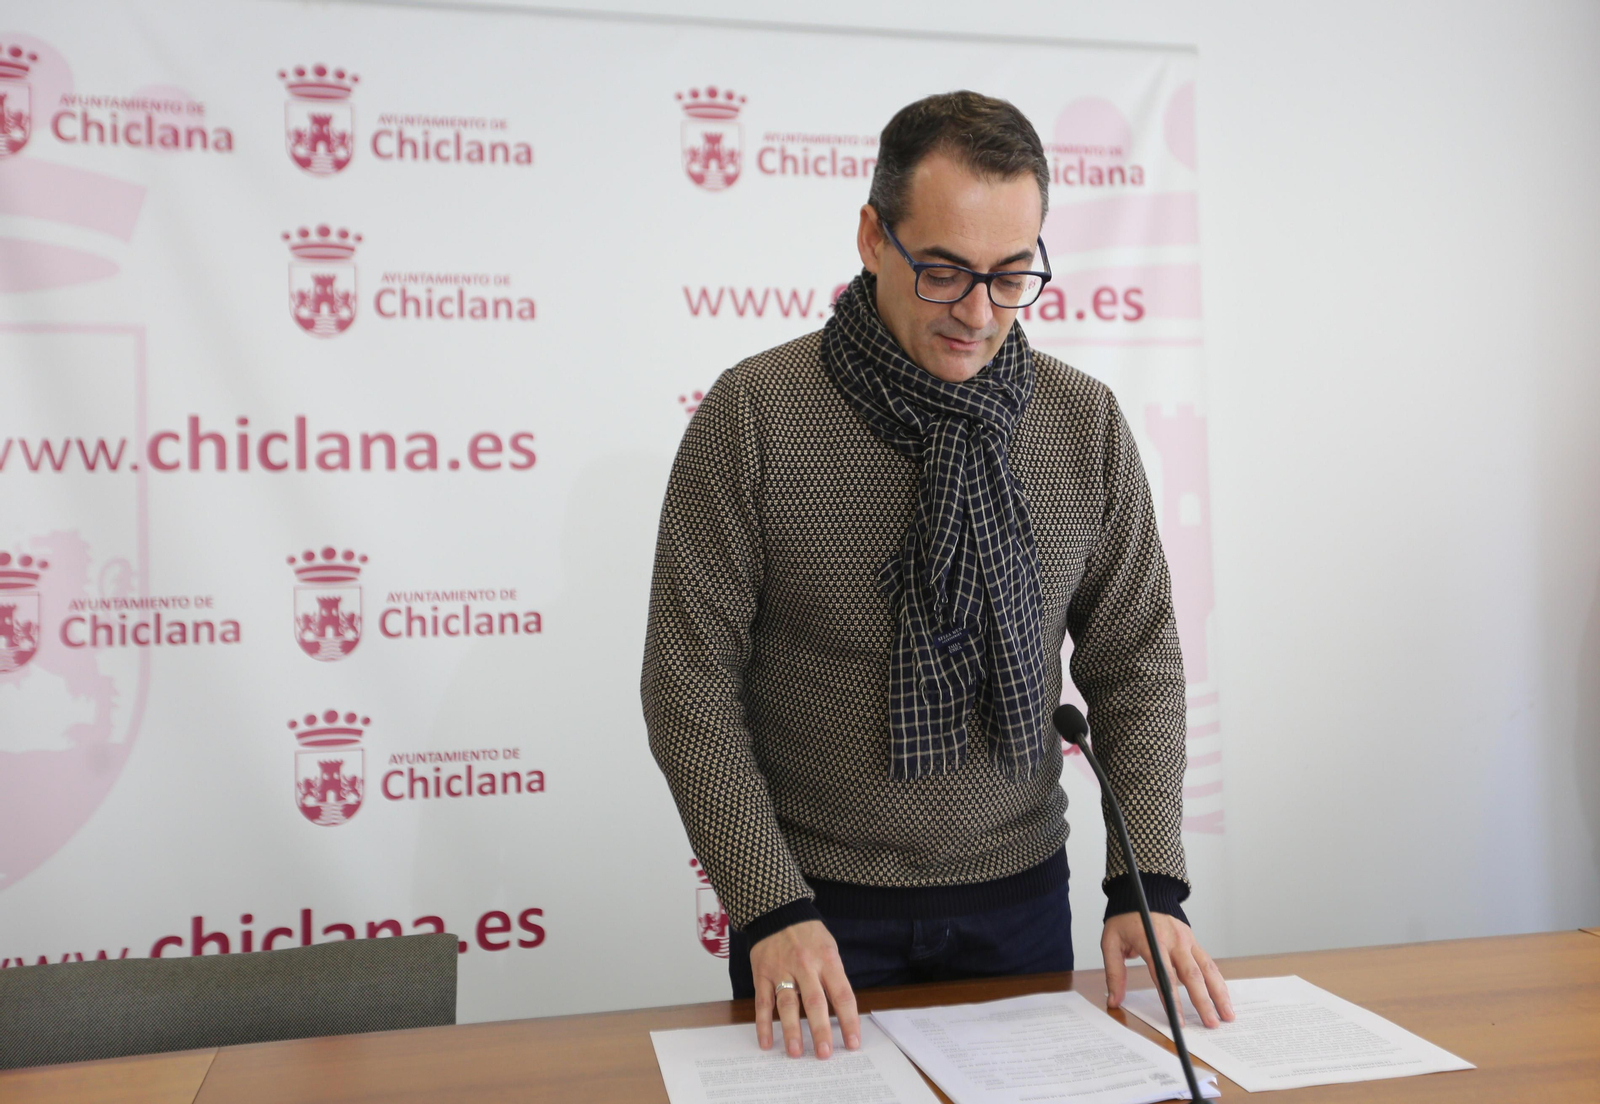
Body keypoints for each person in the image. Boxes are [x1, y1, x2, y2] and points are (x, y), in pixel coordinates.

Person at [642, 90, 1232, 1062]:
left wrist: (1146, 885)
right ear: (874, 237)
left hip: (1021, 902)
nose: (977, 313)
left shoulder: (1081, 424)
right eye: (946, 272)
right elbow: (687, 685)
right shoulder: (754, 415)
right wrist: (766, 907)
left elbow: (1137, 663)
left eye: (1010, 277)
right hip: (814, 918)